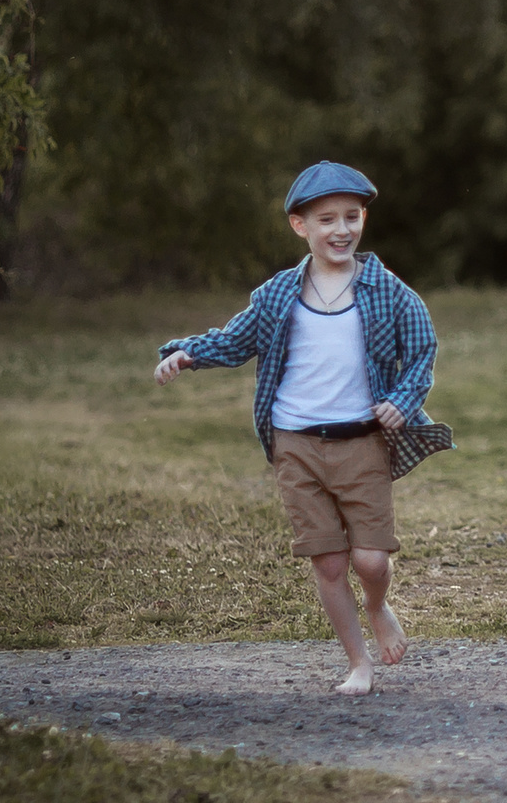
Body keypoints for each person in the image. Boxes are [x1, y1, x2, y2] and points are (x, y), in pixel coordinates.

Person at [153, 162, 451, 694]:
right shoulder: (276, 295)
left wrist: (402, 402)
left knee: (371, 558)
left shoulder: (386, 290)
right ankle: (357, 662)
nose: (342, 230)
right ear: (301, 226)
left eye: (352, 217)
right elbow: (234, 339)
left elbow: (422, 349)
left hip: (362, 443)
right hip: (295, 445)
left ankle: (378, 606)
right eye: (327, 219)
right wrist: (186, 354)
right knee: (331, 563)